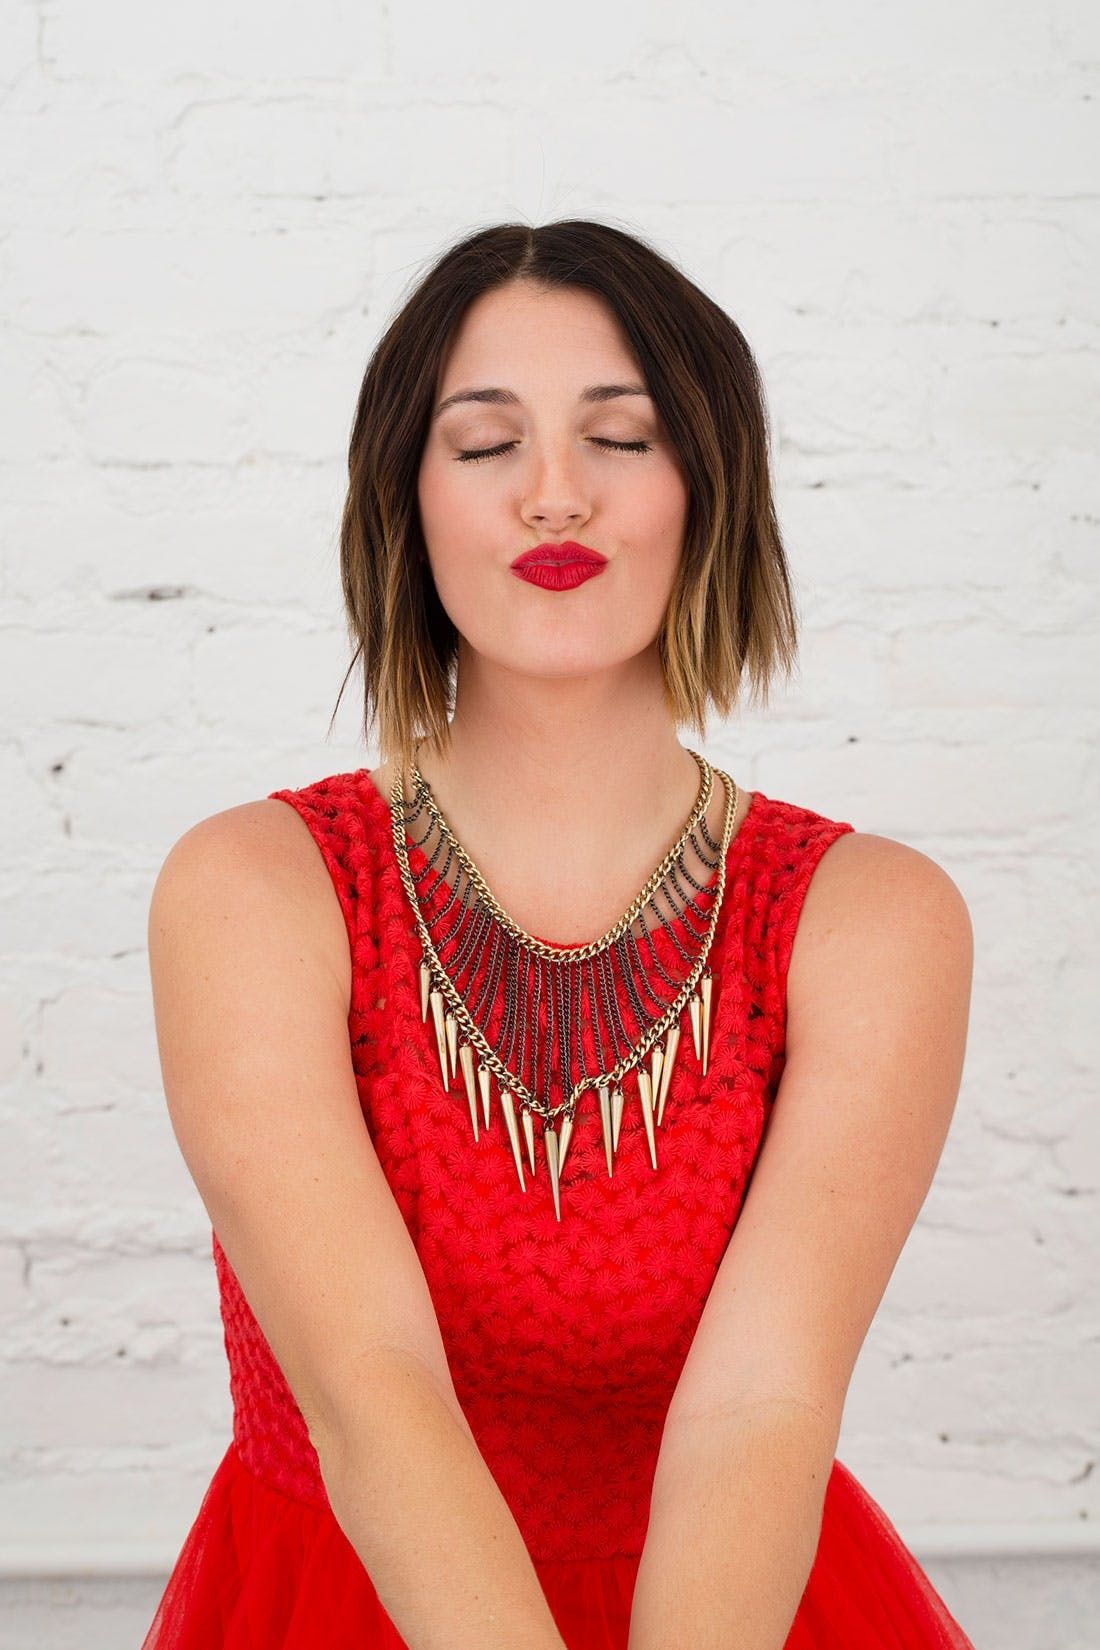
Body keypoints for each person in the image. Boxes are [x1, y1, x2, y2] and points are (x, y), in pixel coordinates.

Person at [139, 219, 976, 1650]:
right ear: (406, 501)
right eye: (484, 444)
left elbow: (764, 1405)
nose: (553, 495)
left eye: (621, 437)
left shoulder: (870, 919)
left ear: (711, 486)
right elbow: (372, 1391)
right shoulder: (257, 890)